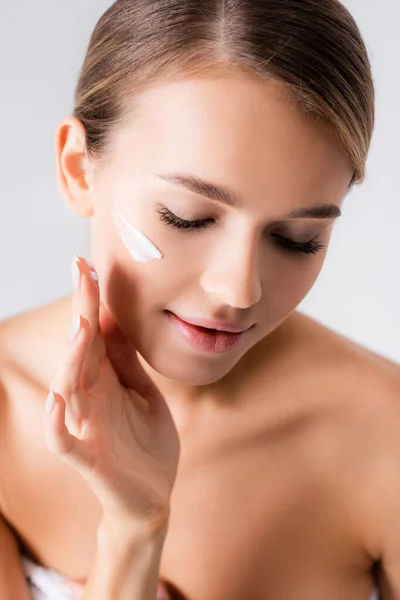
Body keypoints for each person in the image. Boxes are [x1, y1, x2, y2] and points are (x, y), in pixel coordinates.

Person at [0, 0, 398, 598]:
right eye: (186, 218)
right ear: (79, 169)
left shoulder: (384, 438)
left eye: (298, 240)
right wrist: (135, 528)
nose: (240, 290)